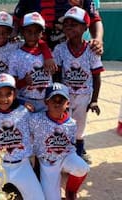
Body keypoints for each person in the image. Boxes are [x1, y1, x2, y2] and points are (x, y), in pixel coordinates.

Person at [0, 73, 45, 200]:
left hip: (22, 165)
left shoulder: (25, 111)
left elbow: (42, 128)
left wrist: (21, 102)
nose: (4, 99)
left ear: (15, 94)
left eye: (8, 94)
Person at [53, 6, 104, 163]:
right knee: (63, 123)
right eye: (66, 24)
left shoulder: (91, 49)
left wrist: (94, 99)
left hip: (84, 95)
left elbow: (96, 76)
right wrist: (58, 95)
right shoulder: (60, 48)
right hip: (66, 95)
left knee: (80, 126)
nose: (68, 27)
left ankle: (79, 152)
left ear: (85, 27)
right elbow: (57, 74)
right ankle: (62, 152)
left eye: (74, 24)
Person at [30, 83, 90, 200]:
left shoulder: (71, 123)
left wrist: (73, 161)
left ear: (67, 103)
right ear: (46, 102)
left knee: (82, 167)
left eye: (61, 100)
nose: (57, 103)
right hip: (48, 162)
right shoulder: (36, 119)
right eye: (53, 100)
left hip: (65, 156)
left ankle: (70, 191)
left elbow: (72, 144)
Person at [13, 0, 104, 55]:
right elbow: (17, 19)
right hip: (37, 53)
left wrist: (98, 39)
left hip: (70, 53)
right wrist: (12, 36)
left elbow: (94, 19)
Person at [9, 12, 53, 113]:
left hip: (45, 101)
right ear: (22, 31)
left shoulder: (48, 54)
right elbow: (12, 84)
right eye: (28, 31)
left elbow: (52, 79)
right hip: (25, 101)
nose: (33, 35)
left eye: (37, 31)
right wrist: (23, 82)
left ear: (42, 33)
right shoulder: (15, 55)